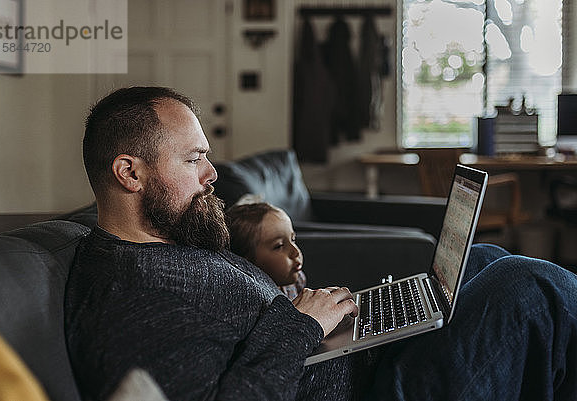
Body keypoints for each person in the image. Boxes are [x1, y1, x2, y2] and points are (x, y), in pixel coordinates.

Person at [65, 86, 577, 401]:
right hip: (370, 392)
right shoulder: (130, 301)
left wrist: (319, 312)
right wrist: (301, 325)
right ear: (129, 173)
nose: (212, 174)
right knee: (528, 286)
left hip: (356, 363)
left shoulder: (166, 245)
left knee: (486, 259)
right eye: (192, 159)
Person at [226, 202, 306, 300]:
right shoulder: (254, 300)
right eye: (279, 246)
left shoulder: (297, 280)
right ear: (247, 262)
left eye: (293, 239)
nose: (296, 252)